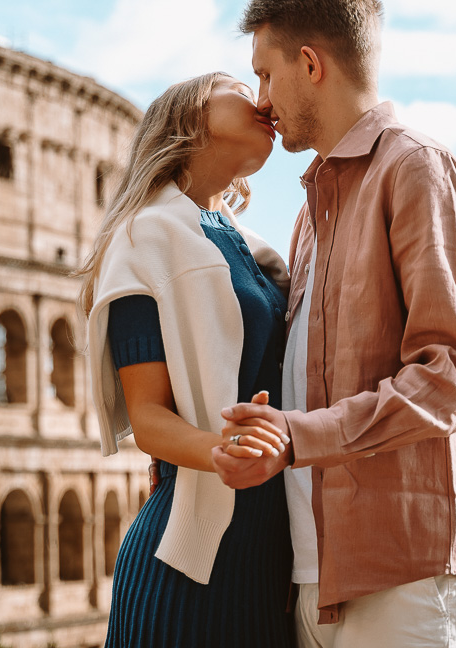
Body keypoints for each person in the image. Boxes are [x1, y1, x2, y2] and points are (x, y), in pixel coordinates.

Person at [214, 0, 456, 648]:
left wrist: (296, 438)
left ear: (310, 63)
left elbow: (452, 378)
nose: (261, 100)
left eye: (265, 73)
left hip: (413, 581)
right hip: (324, 580)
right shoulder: (314, 207)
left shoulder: (416, 170)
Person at [79, 71, 295, 647]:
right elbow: (147, 417)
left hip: (273, 554)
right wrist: (224, 451)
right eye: (240, 89)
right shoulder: (142, 235)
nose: (263, 101)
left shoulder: (253, 245)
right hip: (189, 565)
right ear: (190, 115)